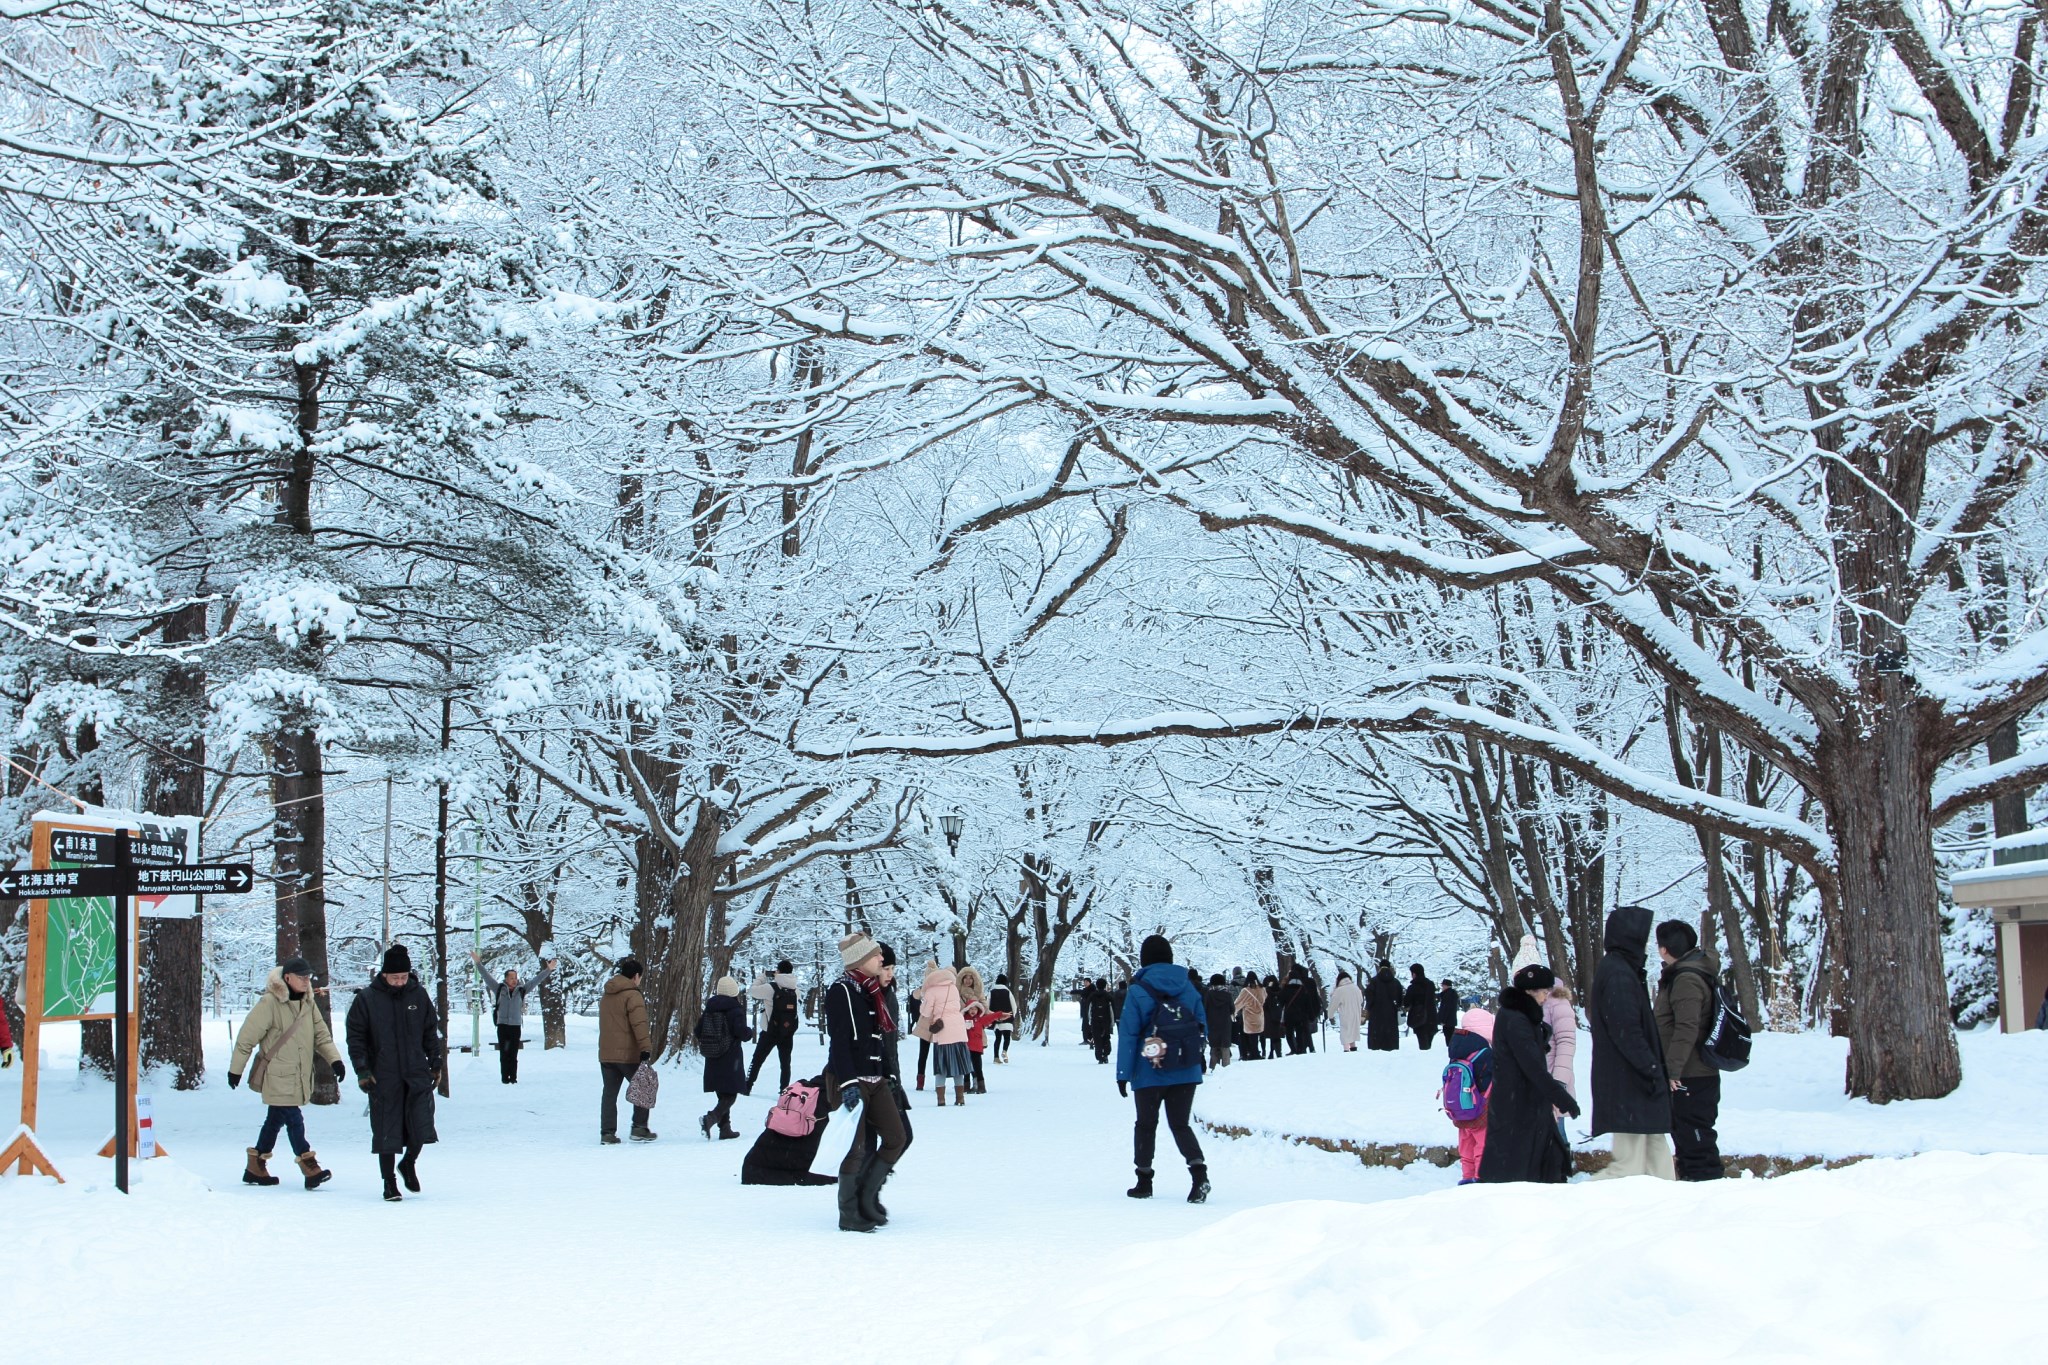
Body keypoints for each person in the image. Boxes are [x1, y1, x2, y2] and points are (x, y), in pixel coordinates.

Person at [228, 956, 345, 1190]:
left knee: (275, 1120)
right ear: (287, 978)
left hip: (300, 1074)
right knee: (294, 1118)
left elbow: (321, 1036)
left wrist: (335, 1060)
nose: (306, 981)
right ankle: (309, 1164)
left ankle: (256, 1164)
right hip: (277, 1075)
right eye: (301, 977)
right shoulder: (270, 1003)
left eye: (308, 977)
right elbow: (246, 1039)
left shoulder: (307, 1003)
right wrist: (235, 1070)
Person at [1116, 934, 1210, 1203]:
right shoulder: (1189, 988)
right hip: (1185, 1068)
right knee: (1180, 1124)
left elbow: (1129, 1034)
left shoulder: (1137, 990)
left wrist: (1123, 1074)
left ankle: (1144, 1181)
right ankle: (1199, 1175)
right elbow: (1203, 1026)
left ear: (1144, 959)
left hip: (1150, 1068)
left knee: (1146, 1125)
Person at [344, 945, 442, 1203]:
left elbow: (430, 1031)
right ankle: (389, 1182)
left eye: (404, 977)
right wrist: (362, 1069)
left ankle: (409, 1162)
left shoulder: (418, 996)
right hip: (383, 1074)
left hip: (416, 1071)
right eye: (395, 977)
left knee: (421, 1123)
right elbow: (356, 1037)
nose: (400, 982)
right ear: (384, 975)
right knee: (386, 1129)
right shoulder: (367, 999)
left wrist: (436, 1062)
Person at [824, 932, 907, 1233]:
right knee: (855, 1148)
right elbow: (840, 1044)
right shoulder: (841, 991)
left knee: (897, 1137)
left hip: (877, 1079)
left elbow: (879, 1041)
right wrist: (848, 1084)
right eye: (876, 956)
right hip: (852, 1079)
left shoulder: (872, 991)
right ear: (860, 959)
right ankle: (849, 1213)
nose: (882, 960)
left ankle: (867, 1198)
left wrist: (891, 1076)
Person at [1587, 907, 1674, 1179]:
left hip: (1635, 1083)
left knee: (1656, 1156)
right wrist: (1649, 1067)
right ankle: (1576, 1204)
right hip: (1629, 1082)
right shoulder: (1618, 974)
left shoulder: (1623, 970)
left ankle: (1671, 1205)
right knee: (1629, 1167)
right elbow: (1626, 1030)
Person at [1477, 966, 1581, 1183]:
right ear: (1530, 992)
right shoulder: (1516, 1019)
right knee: (1519, 1171)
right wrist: (1561, 1097)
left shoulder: (1521, 1015)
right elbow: (1532, 1066)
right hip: (1518, 1105)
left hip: (1525, 1102)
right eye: (1543, 992)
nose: (1545, 997)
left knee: (1542, 1162)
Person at [1654, 919, 1725, 1181]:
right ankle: (1696, 1186)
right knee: (1687, 1134)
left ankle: (1706, 1185)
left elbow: (1687, 1028)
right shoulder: (1689, 973)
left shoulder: (1686, 979)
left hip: (1692, 1073)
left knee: (1694, 1135)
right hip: (1692, 1071)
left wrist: (1673, 1070)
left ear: (1664, 949)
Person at [1514, 939, 1579, 1136]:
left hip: (1551, 1078)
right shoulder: (1520, 1002)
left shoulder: (1556, 1001)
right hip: (1528, 1083)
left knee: (1555, 1135)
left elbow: (1566, 1041)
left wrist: (1557, 1082)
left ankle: (1562, 1166)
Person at [470, 950, 554, 1084]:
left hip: (515, 1026)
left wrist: (548, 970)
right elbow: (486, 976)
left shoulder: (522, 990)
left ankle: (513, 1078)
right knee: (504, 1053)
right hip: (502, 1025)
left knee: (513, 1054)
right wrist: (478, 963)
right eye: (511, 978)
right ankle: (504, 1078)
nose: (514, 980)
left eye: (515, 978)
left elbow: (536, 980)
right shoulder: (498, 988)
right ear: (506, 979)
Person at [597, 956, 655, 1145]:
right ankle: (639, 1127)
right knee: (644, 1085)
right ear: (636, 976)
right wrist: (645, 1047)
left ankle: (607, 1132)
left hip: (606, 1053)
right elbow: (639, 1023)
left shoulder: (607, 995)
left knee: (609, 1093)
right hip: (628, 1054)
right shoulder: (632, 995)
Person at [1443, 1007, 1495, 1183]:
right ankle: (1481, 1178)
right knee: (1482, 1144)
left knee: (1466, 1144)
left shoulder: (1457, 1049)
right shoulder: (1485, 1052)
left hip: (1460, 1107)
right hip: (1480, 1106)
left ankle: (1467, 1177)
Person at [699, 975, 754, 1139]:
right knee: (731, 1094)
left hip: (713, 1056)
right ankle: (711, 1118)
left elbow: (698, 1030)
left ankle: (725, 1129)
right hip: (730, 1057)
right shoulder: (735, 1010)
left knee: (722, 1093)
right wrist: (749, 1032)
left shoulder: (710, 1009)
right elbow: (740, 1032)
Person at [919, 961, 972, 1103]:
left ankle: (941, 1099)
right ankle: (960, 1098)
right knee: (958, 1066)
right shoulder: (953, 988)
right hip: (958, 1030)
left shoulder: (931, 991)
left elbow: (925, 1012)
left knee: (941, 1066)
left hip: (943, 1033)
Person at [746, 960, 801, 1095]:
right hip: (787, 1032)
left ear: (778, 971)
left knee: (757, 1059)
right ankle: (784, 1090)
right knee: (785, 1063)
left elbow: (752, 991)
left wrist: (762, 976)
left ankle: (747, 1086)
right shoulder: (796, 990)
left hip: (770, 1031)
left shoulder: (771, 988)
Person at [958, 966, 993, 1095]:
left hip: (976, 1031)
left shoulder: (978, 993)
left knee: (976, 1059)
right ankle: (966, 1083)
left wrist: (986, 1013)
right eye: (965, 978)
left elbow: (985, 1008)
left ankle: (978, 1082)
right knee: (964, 1057)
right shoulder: (957, 993)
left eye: (970, 978)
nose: (967, 980)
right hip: (962, 1030)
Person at [1281, 964, 1320, 1054]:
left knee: (1296, 1031)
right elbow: (1315, 997)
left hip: (1295, 1011)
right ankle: (1309, 1047)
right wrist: (1314, 1011)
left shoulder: (1292, 983)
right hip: (1307, 1009)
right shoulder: (1310, 981)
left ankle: (1298, 1049)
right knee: (1305, 1030)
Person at [1365, 962, 1402, 1051]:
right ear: (1389, 968)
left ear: (1380, 967)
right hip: (1391, 1015)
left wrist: (1370, 1008)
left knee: (1377, 1042)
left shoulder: (1374, 981)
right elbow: (1400, 1000)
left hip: (1376, 1016)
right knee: (1390, 1039)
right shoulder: (1396, 982)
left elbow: (1369, 997)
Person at [1203, 973, 1236, 1068]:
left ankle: (1213, 1068)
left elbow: (1204, 1008)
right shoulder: (1227, 995)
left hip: (1212, 1023)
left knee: (1214, 1047)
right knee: (1225, 1048)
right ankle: (1226, 1068)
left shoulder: (1208, 995)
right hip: (1225, 1024)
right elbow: (1232, 1009)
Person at [1403, 963, 1438, 1049]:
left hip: (1419, 1017)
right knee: (1429, 1043)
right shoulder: (1431, 985)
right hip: (1432, 1017)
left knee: (1423, 1044)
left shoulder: (1413, 987)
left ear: (1414, 973)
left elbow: (1406, 1002)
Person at [1232, 974, 1265, 1062]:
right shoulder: (1262, 989)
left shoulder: (1245, 991)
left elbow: (1237, 1004)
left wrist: (1233, 1014)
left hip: (1249, 1017)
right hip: (1260, 1016)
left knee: (1251, 1036)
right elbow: (1264, 1000)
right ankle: (1256, 1053)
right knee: (1256, 1035)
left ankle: (1254, 1054)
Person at [988, 973, 1020, 1063]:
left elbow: (987, 1004)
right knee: (1007, 1037)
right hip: (1007, 1018)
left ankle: (996, 1057)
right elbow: (1014, 1005)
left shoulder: (991, 992)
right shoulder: (1008, 992)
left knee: (997, 1038)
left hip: (996, 1018)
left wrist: (990, 1015)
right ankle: (1005, 1051)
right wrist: (1012, 1015)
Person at [1085, 977, 1117, 1065]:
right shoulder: (1109, 996)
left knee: (1097, 1038)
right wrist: (1112, 1022)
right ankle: (1106, 1054)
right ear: (1105, 985)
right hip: (1106, 1020)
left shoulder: (1092, 996)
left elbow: (1088, 1009)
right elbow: (1112, 1010)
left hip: (1095, 1020)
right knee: (1106, 1038)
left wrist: (1089, 1021)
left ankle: (1099, 1057)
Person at [1328, 970, 1362, 1051]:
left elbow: (1333, 1004)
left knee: (1346, 1033)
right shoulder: (1356, 988)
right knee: (1353, 1031)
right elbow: (1361, 1000)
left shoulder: (1340, 990)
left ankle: (1346, 1050)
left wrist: (1330, 1015)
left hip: (1346, 1014)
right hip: (1356, 1014)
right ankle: (1353, 1047)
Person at [1261, 973, 1286, 1057]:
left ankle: (1271, 1052)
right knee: (1277, 1035)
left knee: (1272, 1035)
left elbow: (1264, 1004)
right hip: (1279, 1016)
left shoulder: (1267, 992)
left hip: (1269, 1016)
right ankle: (1278, 1052)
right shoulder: (1280, 990)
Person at [1436, 979, 1461, 1051]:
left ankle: (1451, 1049)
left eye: (1443, 985)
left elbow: (1446, 1008)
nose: (1442, 987)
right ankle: (1451, 1048)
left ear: (1447, 986)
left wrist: (1443, 1020)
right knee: (1449, 1034)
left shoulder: (1448, 995)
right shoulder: (1450, 994)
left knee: (1448, 1035)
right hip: (1450, 1019)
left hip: (1448, 1020)